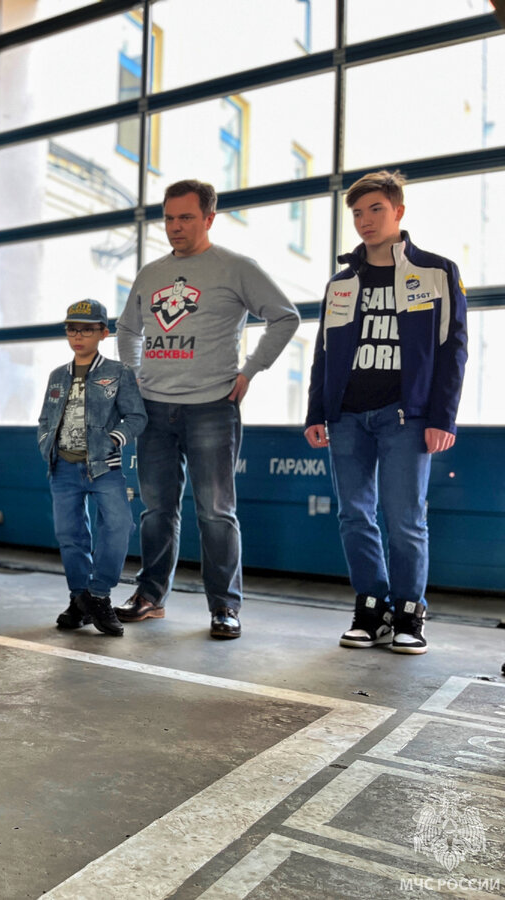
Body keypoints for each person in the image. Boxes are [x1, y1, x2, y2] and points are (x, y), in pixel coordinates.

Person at [116, 179, 300, 639]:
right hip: (155, 409)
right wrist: (133, 376)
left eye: (186, 217)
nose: (175, 227)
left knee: (216, 512)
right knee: (156, 510)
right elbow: (127, 328)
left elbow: (285, 316)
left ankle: (224, 607)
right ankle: (150, 596)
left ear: (209, 218)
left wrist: (251, 370)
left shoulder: (236, 267)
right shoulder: (151, 272)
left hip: (212, 407)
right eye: (169, 217)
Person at [305, 170, 467, 655]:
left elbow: (452, 350)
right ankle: (371, 607)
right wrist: (318, 411)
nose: (365, 220)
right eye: (356, 212)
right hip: (347, 416)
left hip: (407, 416)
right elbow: (323, 352)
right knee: (354, 516)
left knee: (405, 518)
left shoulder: (436, 271)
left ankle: (409, 613)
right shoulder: (341, 282)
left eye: (375, 209)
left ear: (398, 211)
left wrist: (443, 417)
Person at [39, 299, 147, 636]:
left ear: (103, 332)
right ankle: (79, 599)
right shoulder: (58, 375)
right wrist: (46, 442)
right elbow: (45, 417)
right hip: (63, 470)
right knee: (70, 537)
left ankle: (99, 594)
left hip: (104, 468)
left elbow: (137, 417)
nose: (78, 336)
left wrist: (114, 439)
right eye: (72, 329)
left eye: (86, 329)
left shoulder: (119, 373)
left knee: (118, 526)